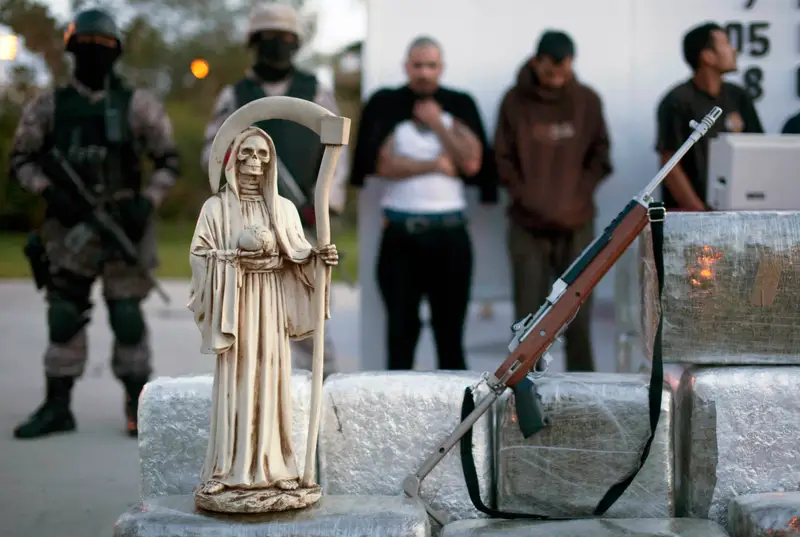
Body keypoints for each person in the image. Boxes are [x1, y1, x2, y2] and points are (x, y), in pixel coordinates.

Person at [8, 8, 180, 439]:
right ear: (71, 49)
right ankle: (57, 406)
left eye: (102, 46)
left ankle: (139, 406)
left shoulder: (138, 105)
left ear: (116, 52)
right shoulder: (49, 105)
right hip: (69, 230)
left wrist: (147, 201)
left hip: (123, 227)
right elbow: (22, 159)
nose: (94, 53)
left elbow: (169, 160)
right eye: (85, 45)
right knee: (64, 314)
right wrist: (49, 192)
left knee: (127, 316)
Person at [201, 2, 346, 378]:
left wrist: (324, 203)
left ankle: (319, 392)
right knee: (249, 317)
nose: (277, 45)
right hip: (247, 224)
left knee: (309, 316)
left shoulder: (316, 91)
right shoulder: (235, 95)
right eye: (268, 38)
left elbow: (337, 151)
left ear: (296, 43)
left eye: (284, 38)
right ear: (254, 42)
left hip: (303, 222)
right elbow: (211, 152)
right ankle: (254, 392)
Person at [349, 36, 498, 371]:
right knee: (400, 337)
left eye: (431, 65)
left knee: (450, 339)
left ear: (441, 68)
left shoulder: (457, 107)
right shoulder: (388, 105)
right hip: (401, 235)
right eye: (418, 65)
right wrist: (435, 165)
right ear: (406, 67)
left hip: (449, 234)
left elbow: (471, 163)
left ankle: (459, 406)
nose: (424, 73)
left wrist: (437, 124)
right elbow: (383, 164)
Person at [494, 30, 612, 372]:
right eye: (549, 70)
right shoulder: (513, 101)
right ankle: (524, 391)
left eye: (563, 70)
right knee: (528, 322)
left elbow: (601, 157)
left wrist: (578, 194)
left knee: (578, 318)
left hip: (577, 224)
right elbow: (501, 159)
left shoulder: (587, 100)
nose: (556, 77)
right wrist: (528, 196)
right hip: (527, 225)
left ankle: (582, 392)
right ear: (536, 62)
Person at [656, 22, 763, 211]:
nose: (734, 50)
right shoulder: (677, 100)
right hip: (690, 215)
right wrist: (700, 213)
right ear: (707, 56)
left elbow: (756, 150)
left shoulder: (738, 97)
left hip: (737, 212)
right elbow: (670, 162)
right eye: (726, 44)